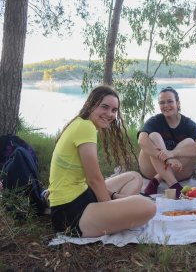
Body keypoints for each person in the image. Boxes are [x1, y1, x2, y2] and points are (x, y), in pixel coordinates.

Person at [48, 85, 156, 238]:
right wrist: (111, 207)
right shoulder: (85, 127)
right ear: (91, 105)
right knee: (148, 206)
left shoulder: (82, 124)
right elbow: (94, 179)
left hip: (81, 193)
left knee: (134, 177)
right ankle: (108, 213)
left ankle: (110, 210)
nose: (110, 114)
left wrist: (112, 196)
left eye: (114, 110)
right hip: (69, 212)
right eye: (104, 107)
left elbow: (88, 178)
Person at [138, 87, 196, 198]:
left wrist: (173, 153)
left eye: (170, 101)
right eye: (162, 102)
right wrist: (167, 158)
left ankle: (157, 180)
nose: (166, 105)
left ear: (178, 103)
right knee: (154, 136)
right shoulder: (155, 121)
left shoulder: (188, 124)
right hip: (151, 170)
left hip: (179, 170)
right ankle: (174, 185)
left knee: (189, 142)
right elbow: (141, 140)